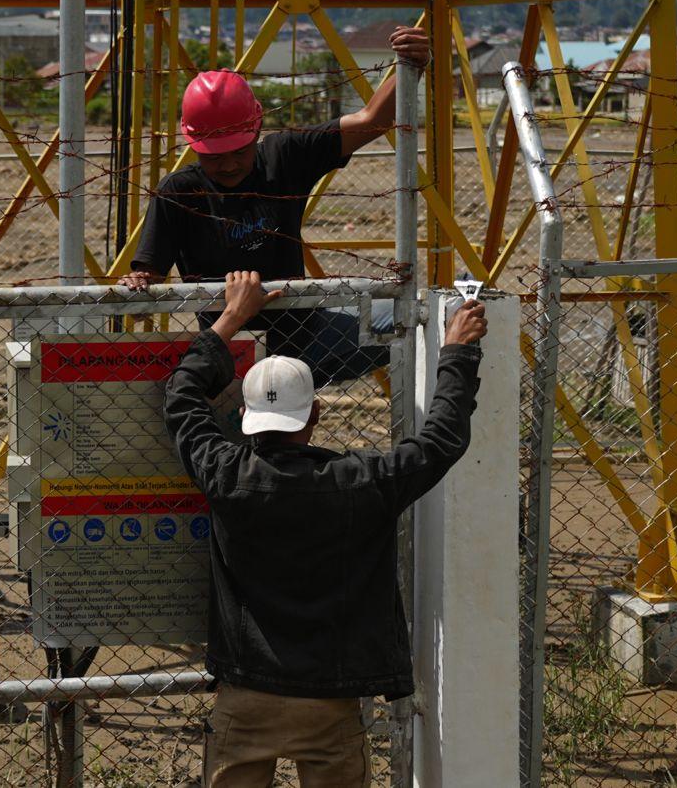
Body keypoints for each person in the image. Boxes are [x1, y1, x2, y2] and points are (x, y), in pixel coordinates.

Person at [164, 271, 486, 787]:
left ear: (244, 414)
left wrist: (231, 318)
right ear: (313, 413)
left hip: (246, 694)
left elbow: (181, 397)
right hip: (329, 695)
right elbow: (440, 440)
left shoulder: (226, 473)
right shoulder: (360, 483)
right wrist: (457, 352)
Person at [121, 26, 430, 388]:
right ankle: (274, 397)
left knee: (408, 316)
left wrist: (413, 63)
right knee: (255, 407)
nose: (229, 165)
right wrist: (138, 288)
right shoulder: (179, 192)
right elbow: (150, 276)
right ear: (193, 144)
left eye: (240, 150)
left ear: (257, 128)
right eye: (214, 156)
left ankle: (286, 391)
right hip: (230, 348)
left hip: (306, 335)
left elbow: (373, 121)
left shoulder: (283, 157)